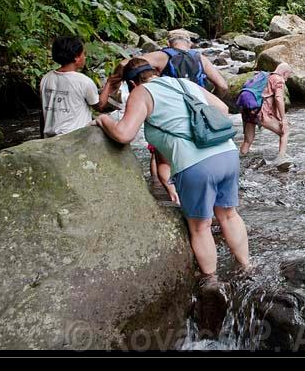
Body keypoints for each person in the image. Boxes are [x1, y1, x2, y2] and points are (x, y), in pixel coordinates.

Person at [94, 58, 250, 286]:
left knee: (200, 226)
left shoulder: (142, 92)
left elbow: (124, 134)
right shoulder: (183, 83)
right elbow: (223, 109)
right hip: (226, 154)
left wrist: (104, 120)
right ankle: (247, 267)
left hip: (196, 164)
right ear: (154, 72)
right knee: (229, 215)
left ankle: (212, 283)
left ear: (131, 83)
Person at [102, 29, 230, 204]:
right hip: (199, 120)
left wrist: (115, 82)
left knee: (161, 158)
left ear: (169, 43)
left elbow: (127, 63)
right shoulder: (199, 58)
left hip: (163, 115)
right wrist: (206, 106)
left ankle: (164, 191)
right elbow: (223, 86)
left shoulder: (163, 56)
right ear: (190, 43)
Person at [40, 35, 115, 138]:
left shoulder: (46, 78)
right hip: (75, 137)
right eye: (83, 53)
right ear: (77, 58)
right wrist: (109, 84)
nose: (85, 57)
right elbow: (100, 106)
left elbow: (45, 111)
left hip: (50, 138)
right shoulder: (84, 81)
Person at [238, 63, 293, 169]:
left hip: (248, 110)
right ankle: (281, 160)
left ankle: (240, 162)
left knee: (248, 141)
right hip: (261, 112)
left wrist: (278, 117)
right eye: (288, 76)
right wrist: (283, 119)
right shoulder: (278, 79)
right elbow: (278, 98)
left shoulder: (263, 76)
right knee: (285, 131)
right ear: (285, 73)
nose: (286, 79)